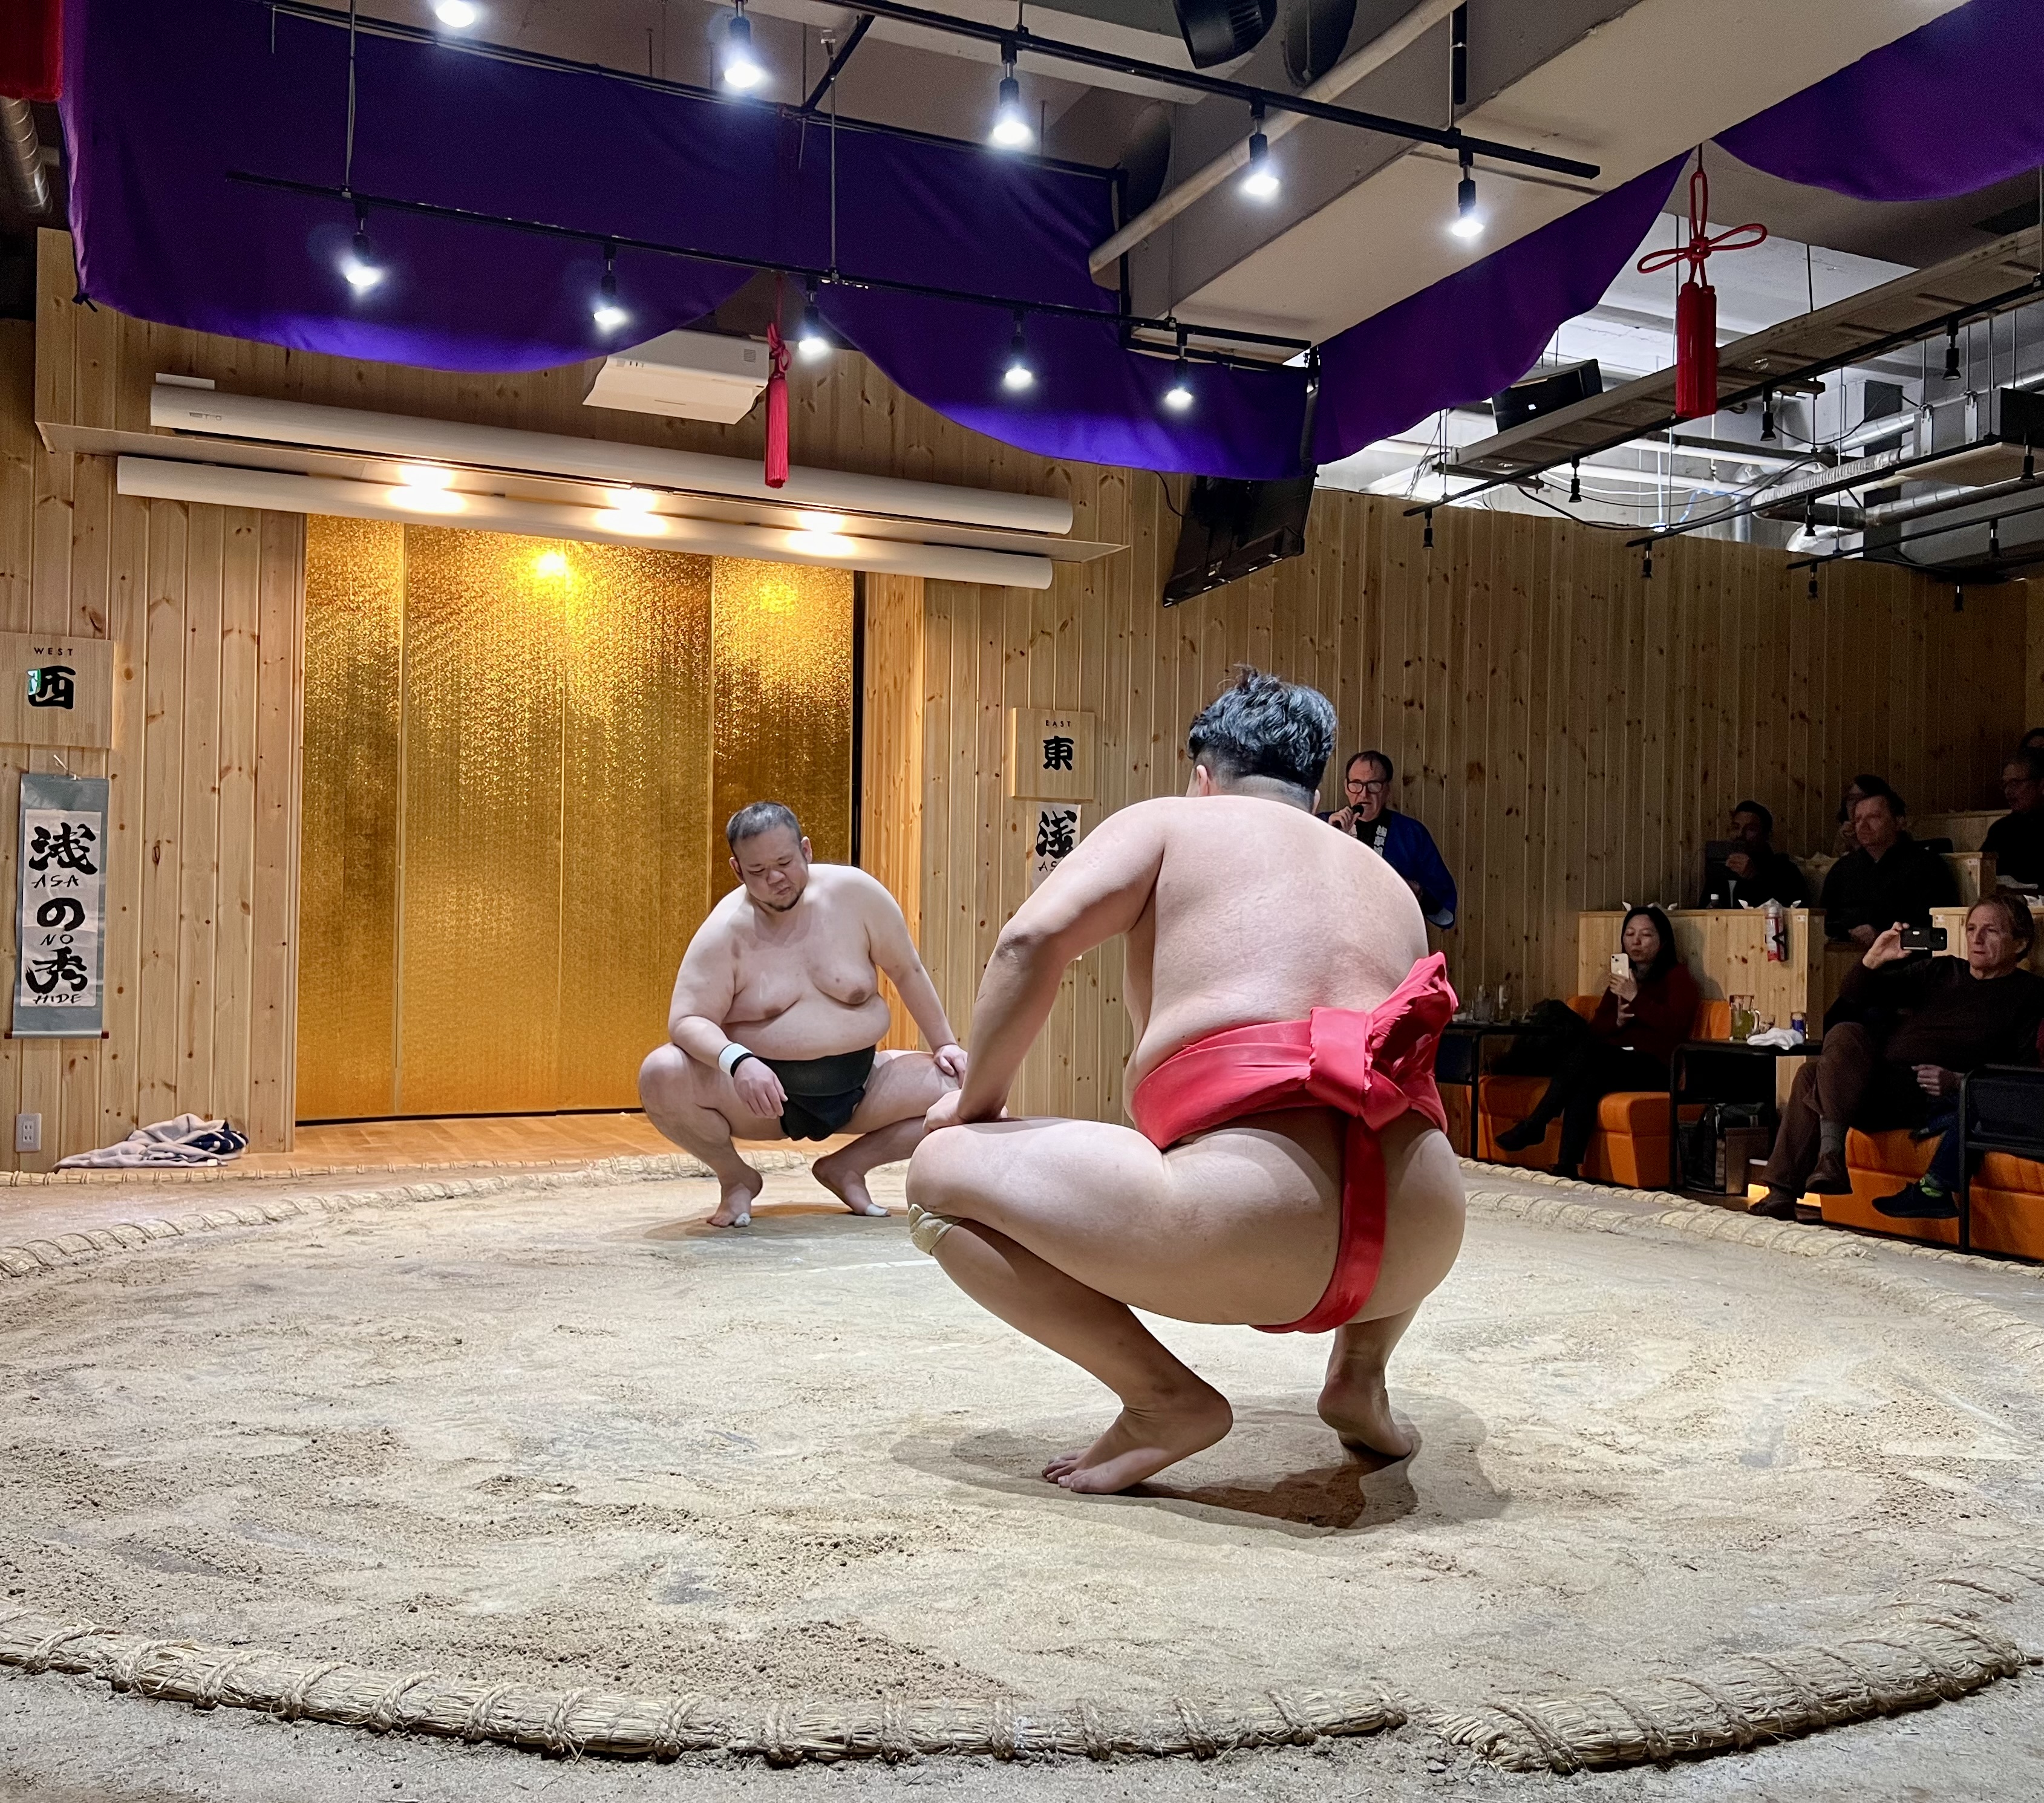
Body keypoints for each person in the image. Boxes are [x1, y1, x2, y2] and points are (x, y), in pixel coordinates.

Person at [903, 670, 1464, 1495]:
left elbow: (1031, 942)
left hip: (1244, 1225)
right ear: (1312, 790)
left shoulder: (1170, 822)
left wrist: (972, 1108)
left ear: (1202, 775)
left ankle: (1161, 1399)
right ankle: (1361, 1378)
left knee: (937, 1177)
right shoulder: (1384, 883)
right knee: (1376, 1112)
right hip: (1423, 1236)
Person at [639, 801, 968, 1228]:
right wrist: (738, 1062)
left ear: (806, 850)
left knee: (967, 1086)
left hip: (863, 1081)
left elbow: (907, 970)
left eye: (784, 862)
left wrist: (944, 1042)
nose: (775, 878)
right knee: (660, 1071)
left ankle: (847, 1166)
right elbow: (686, 1020)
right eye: (757, 871)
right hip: (762, 1096)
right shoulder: (724, 932)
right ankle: (736, 1178)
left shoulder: (857, 896)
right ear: (737, 870)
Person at [1752, 895, 2044, 1219]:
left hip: (1928, 1098)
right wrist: (1873, 959)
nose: (1976, 938)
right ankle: (1824, 1163)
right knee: (1843, 1035)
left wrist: (1957, 1081)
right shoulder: (1941, 969)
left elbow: (2023, 1073)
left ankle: (1789, 1187)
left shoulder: (2029, 994)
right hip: (1880, 1084)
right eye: (1972, 928)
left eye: (1991, 931)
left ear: (2019, 943)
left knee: (1811, 1076)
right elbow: (1854, 997)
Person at [1491, 905, 1700, 1180]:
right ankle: (1567, 1165)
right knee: (1588, 1076)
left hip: (1656, 1067)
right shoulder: (1624, 975)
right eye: (1630, 934)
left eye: (1646, 935)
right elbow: (1598, 1027)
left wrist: (1636, 998)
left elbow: (1676, 1026)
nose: (1636, 941)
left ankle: (1536, 1124)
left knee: (1589, 1054)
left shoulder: (1677, 976)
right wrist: (1619, 1021)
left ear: (1663, 942)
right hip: (1616, 1060)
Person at [1322, 751, 1458, 928]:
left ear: (1387, 789)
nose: (1364, 794)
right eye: (1356, 784)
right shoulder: (1322, 824)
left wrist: (1416, 892)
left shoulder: (1411, 834)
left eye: (1374, 785)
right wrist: (1329, 836)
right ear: (1346, 786)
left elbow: (1444, 912)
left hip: (1392, 939)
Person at [1818, 786, 1957, 945]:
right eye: (1858, 819)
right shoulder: (1843, 868)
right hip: (1843, 959)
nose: (1863, 825)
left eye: (1874, 817)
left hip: (1904, 963)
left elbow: (1939, 934)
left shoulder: (1927, 866)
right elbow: (1824, 925)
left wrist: (1882, 937)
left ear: (1899, 822)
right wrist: (1848, 934)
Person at [1700, 800, 1808, 908]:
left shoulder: (1785, 870)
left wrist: (1754, 878)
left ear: (1767, 835)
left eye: (1751, 829)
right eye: (1736, 827)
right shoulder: (1720, 870)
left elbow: (1795, 911)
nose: (1740, 835)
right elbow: (1702, 910)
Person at [1984, 747, 2044, 890]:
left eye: (2016, 783)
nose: (2008, 791)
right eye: (2005, 785)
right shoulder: (2001, 830)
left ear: (2041, 785)